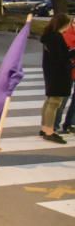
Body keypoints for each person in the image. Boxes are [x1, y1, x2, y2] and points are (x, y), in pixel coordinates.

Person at [39, 14, 73, 144]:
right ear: (63, 24)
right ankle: (49, 131)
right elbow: (61, 58)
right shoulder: (56, 38)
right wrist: (71, 55)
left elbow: (56, 56)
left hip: (51, 72)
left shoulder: (49, 37)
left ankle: (44, 128)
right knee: (54, 102)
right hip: (58, 73)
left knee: (49, 101)